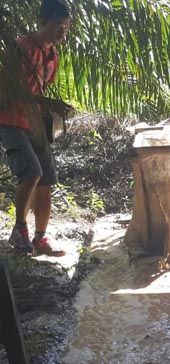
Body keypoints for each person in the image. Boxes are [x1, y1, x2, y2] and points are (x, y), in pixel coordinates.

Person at [0, 0, 74, 256]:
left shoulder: (52, 54)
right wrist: (47, 102)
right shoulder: (20, 47)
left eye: (66, 28)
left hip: (36, 122)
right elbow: (9, 91)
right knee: (31, 173)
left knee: (47, 180)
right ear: (42, 21)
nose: (62, 33)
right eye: (58, 27)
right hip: (11, 119)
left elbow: (40, 88)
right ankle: (20, 232)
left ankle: (41, 238)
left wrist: (51, 108)